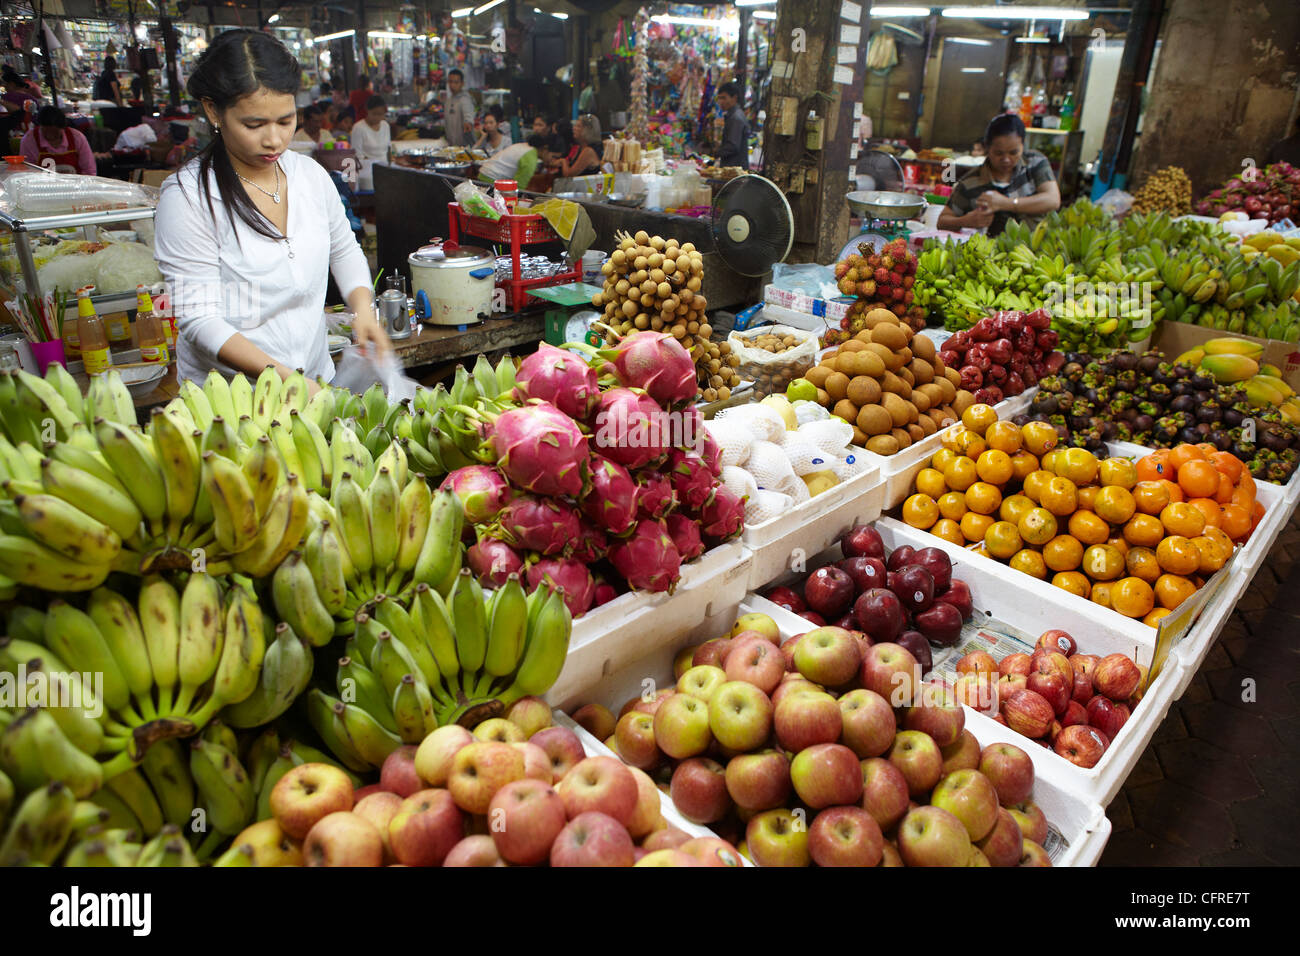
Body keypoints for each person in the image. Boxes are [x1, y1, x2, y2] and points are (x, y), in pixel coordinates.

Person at [153, 29, 389, 389]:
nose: (274, 140)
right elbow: (199, 319)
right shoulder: (188, 198)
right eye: (254, 124)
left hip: (317, 380)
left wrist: (363, 307)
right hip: (235, 403)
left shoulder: (309, 175)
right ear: (213, 110)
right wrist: (286, 381)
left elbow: (344, 250)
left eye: (285, 121)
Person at [938, 114, 1060, 237]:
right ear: (987, 148)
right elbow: (942, 221)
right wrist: (966, 221)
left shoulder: (1035, 162)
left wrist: (1006, 203)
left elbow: (1052, 200)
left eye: (1013, 152)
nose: (1006, 159)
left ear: (1023, 145)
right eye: (998, 153)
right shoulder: (970, 182)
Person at [20, 106, 97, 175]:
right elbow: (27, 173)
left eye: (55, 132)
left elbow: (89, 170)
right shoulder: (30, 139)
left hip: (75, 188)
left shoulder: (77, 137)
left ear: (63, 128)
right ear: (40, 126)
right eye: (46, 131)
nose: (50, 136)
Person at [349, 95, 392, 191]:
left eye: (381, 114)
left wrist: (389, 166)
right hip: (366, 171)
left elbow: (388, 149)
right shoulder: (359, 128)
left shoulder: (385, 126)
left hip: (384, 169)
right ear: (367, 111)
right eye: (375, 114)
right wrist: (373, 163)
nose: (378, 117)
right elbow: (357, 155)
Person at [478, 133, 549, 188]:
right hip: (492, 178)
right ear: (545, 149)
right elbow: (520, 184)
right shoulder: (531, 157)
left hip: (485, 174)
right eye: (553, 156)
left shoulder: (524, 146)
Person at [715, 82, 749, 168]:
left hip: (735, 168)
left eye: (724, 98)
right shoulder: (733, 115)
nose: (721, 102)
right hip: (733, 167)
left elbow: (732, 146)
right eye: (719, 98)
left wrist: (716, 153)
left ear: (734, 98)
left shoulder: (736, 118)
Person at [443, 68, 476, 146]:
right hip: (452, 146)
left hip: (465, 148)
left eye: (456, 82)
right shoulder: (448, 101)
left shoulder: (465, 99)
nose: (452, 85)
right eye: (450, 82)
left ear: (462, 83)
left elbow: (468, 115)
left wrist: (468, 123)